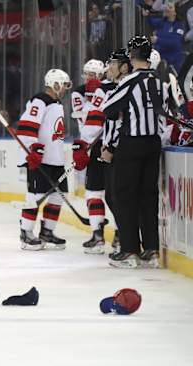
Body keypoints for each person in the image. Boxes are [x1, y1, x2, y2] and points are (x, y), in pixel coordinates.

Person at [100, 35, 168, 269]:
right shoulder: (160, 81)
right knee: (149, 197)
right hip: (154, 144)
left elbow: (108, 109)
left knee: (126, 196)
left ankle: (129, 250)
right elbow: (166, 112)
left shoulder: (129, 81)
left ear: (130, 56)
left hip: (132, 143)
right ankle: (152, 250)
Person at [73, 48, 131, 255]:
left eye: (112, 65)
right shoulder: (125, 86)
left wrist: (83, 143)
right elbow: (93, 118)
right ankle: (115, 235)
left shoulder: (106, 89)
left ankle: (107, 235)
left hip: (109, 146)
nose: (109, 69)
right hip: (113, 145)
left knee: (106, 193)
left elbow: (93, 120)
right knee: (107, 193)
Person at [16, 69, 72, 251]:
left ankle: (47, 231)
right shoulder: (40, 100)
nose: (64, 89)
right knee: (35, 197)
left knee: (57, 197)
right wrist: (33, 150)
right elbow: (27, 127)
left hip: (56, 159)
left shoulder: (57, 103)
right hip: (40, 159)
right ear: (55, 84)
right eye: (63, 85)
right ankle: (26, 233)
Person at [71, 59, 105, 195]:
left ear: (100, 76)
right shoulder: (78, 92)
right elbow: (83, 117)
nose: (87, 77)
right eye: (86, 74)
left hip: (104, 141)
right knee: (92, 188)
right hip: (88, 143)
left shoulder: (106, 89)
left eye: (91, 74)